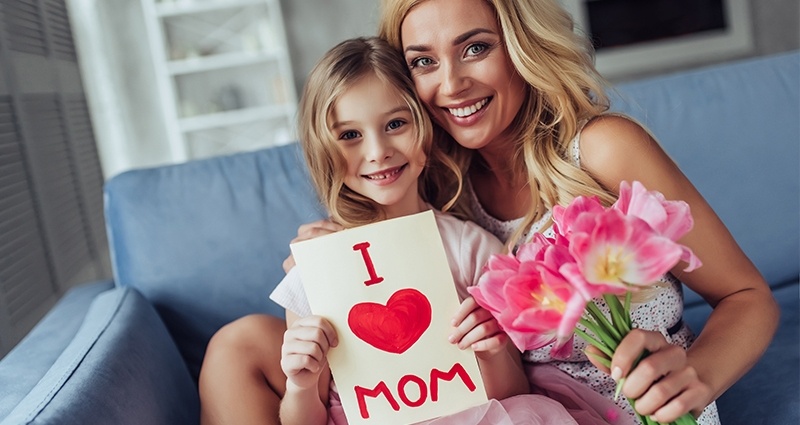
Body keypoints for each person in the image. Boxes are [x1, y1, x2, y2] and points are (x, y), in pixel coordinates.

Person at [287, 0, 780, 423]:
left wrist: (698, 375)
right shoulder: (439, 185)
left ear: (520, 47)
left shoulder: (600, 150)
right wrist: (331, 252)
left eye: (475, 48)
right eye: (423, 62)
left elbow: (746, 295)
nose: (453, 83)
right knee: (242, 342)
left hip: (644, 411)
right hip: (509, 410)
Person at [199, 36, 625, 425]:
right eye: (349, 134)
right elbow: (304, 419)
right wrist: (299, 383)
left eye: (395, 124)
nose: (378, 152)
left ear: (427, 128)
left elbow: (512, 392)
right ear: (324, 152)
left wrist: (490, 350)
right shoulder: (318, 263)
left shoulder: (472, 246)